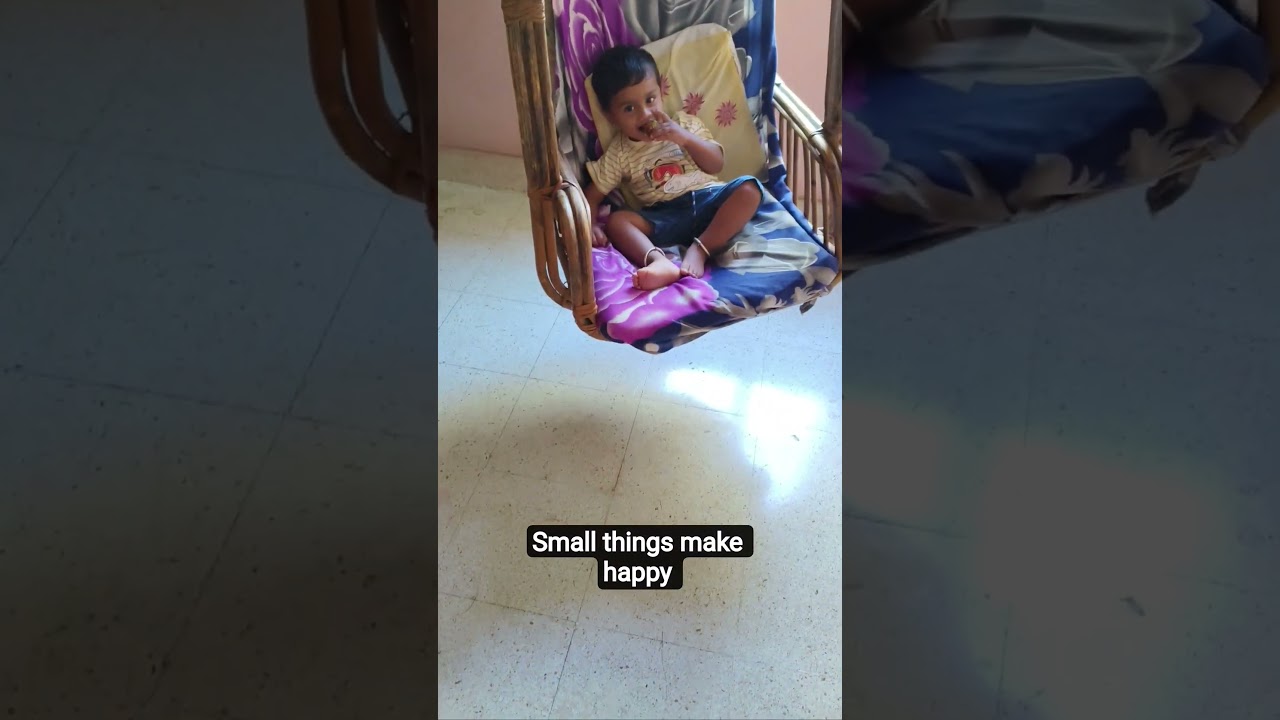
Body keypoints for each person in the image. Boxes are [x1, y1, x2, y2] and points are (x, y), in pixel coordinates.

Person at [583, 45, 763, 290]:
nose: (645, 114)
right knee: (617, 222)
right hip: (663, 216)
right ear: (610, 116)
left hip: (708, 200)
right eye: (629, 108)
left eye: (650, 99)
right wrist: (591, 224)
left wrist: (684, 139)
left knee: (750, 189)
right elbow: (592, 196)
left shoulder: (685, 124)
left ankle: (701, 249)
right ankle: (659, 261)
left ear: (661, 92)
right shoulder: (620, 153)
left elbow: (716, 164)